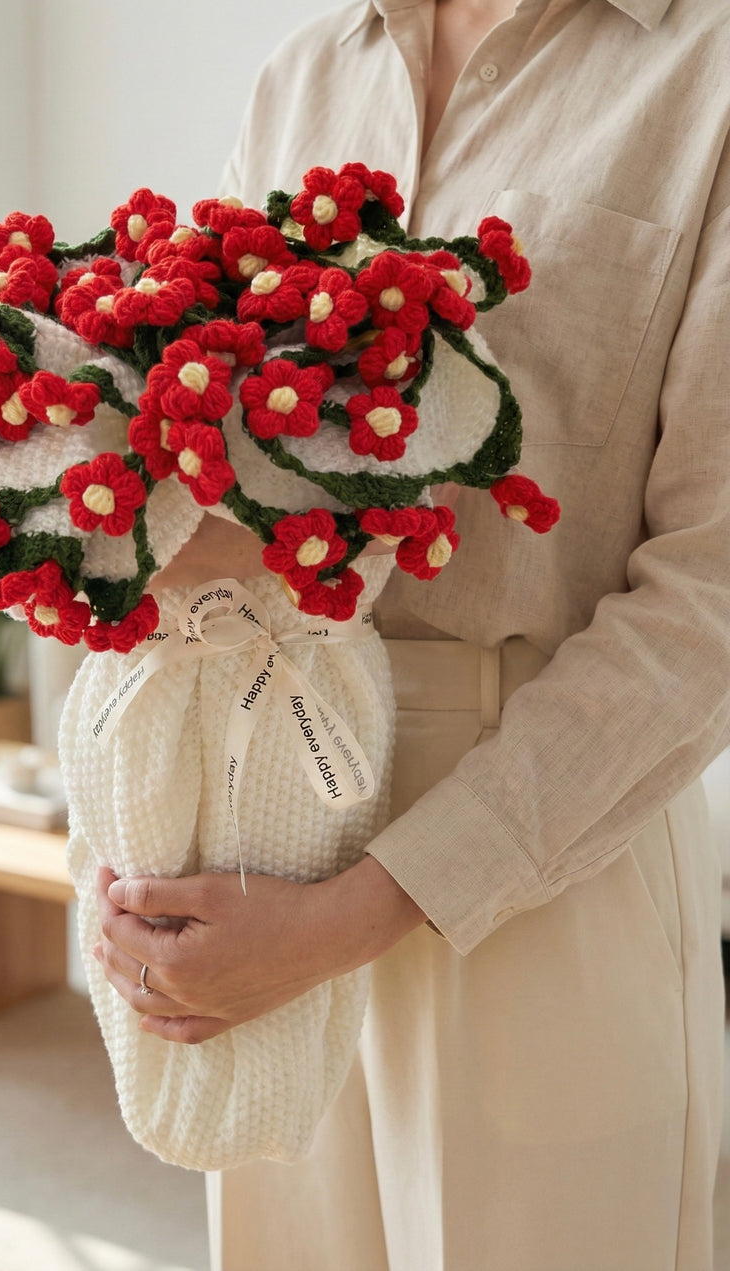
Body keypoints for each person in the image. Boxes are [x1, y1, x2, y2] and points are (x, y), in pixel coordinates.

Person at [93, 1, 729, 1267]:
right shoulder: (301, 75)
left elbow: (709, 595)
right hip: (257, 801)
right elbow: (201, 465)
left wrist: (358, 913)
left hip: (550, 842)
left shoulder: (706, 65)